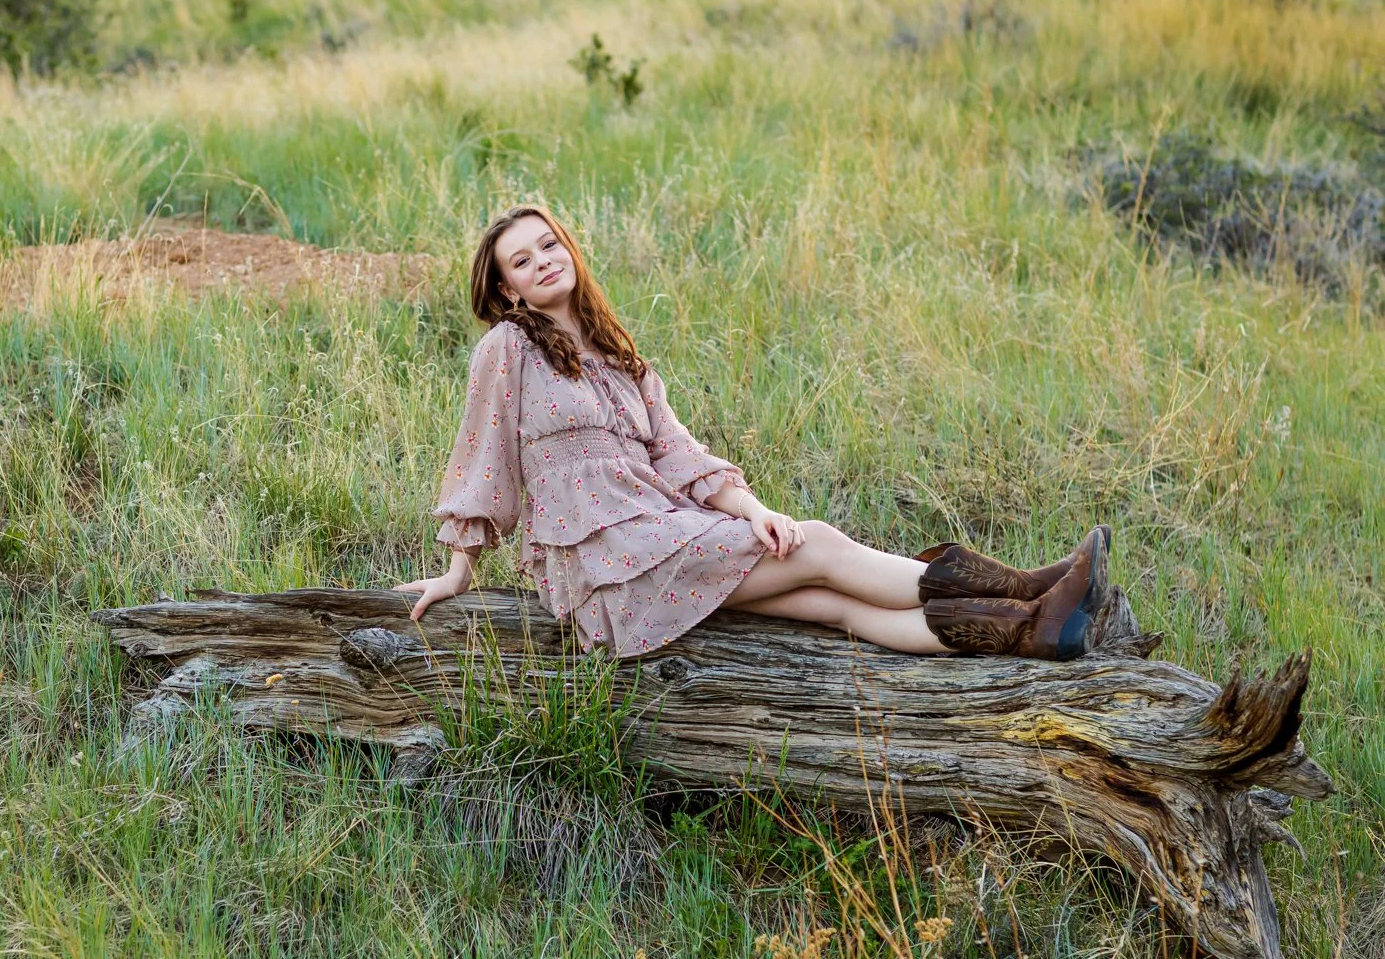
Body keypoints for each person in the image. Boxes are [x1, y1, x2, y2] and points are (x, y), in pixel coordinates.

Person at [394, 203, 1110, 660]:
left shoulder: (619, 354)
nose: (543, 260)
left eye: (550, 244)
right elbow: (480, 463)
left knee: (834, 606)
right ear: (506, 290)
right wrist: (459, 569)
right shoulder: (507, 351)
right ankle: (1028, 588)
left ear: (570, 251)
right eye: (523, 260)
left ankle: (1031, 631)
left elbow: (680, 454)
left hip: (662, 534)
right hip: (607, 563)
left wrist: (756, 511)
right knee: (822, 542)